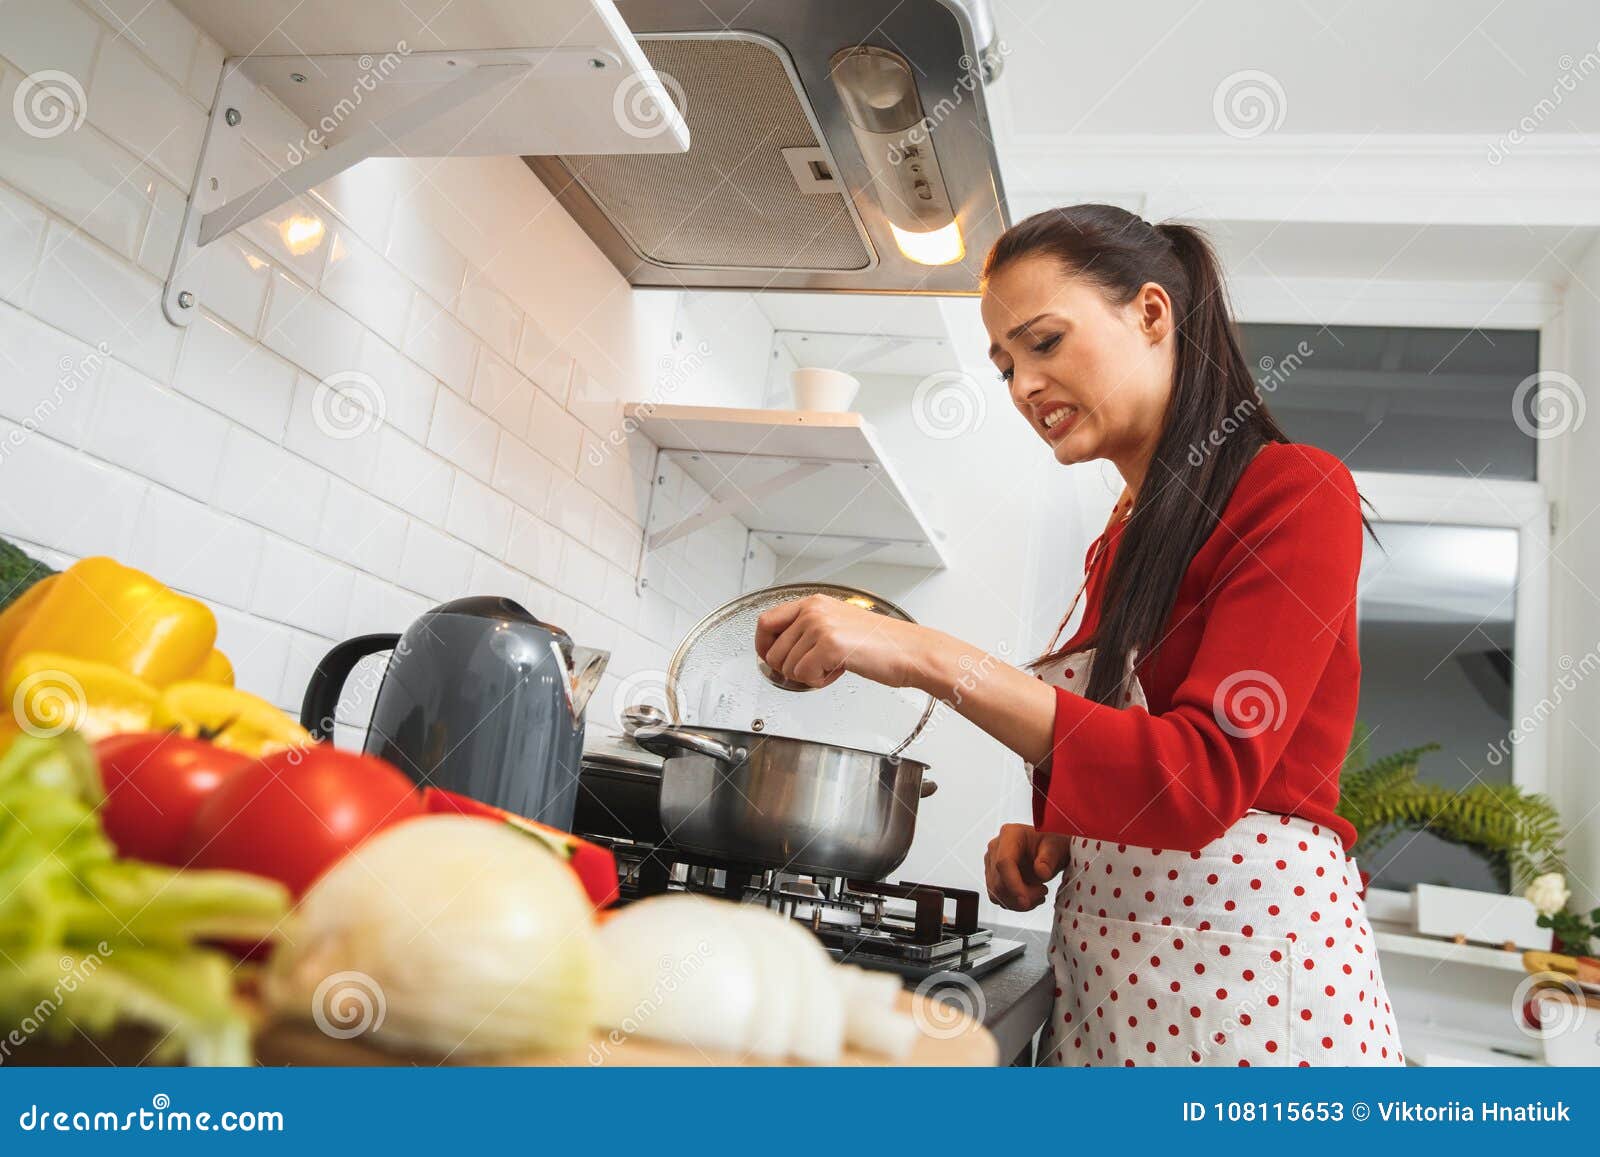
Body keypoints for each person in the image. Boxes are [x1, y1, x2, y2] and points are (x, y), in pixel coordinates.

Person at [753, 204, 1401, 1067]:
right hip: (1116, 983)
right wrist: (1060, 835)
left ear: (1152, 314)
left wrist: (922, 654)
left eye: (1044, 343)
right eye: (1005, 366)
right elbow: (1136, 759)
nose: (1023, 386)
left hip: (1252, 991)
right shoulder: (1125, 539)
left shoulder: (1294, 491)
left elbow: (1201, 779)